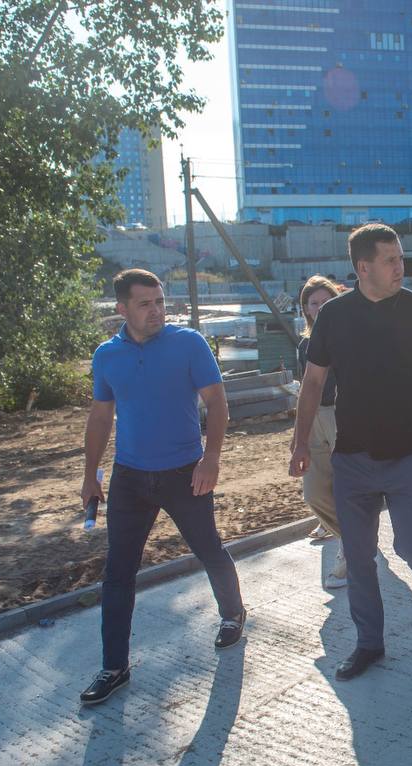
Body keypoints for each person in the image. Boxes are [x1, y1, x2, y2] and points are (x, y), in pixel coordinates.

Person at [289, 224, 412, 681]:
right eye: (391, 260)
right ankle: (369, 642)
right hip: (352, 458)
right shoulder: (334, 316)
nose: (400, 267)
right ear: (363, 267)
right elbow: (313, 382)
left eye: (400, 257)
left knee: (411, 544)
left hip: (408, 454)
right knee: (359, 555)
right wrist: (300, 442)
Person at [78, 269, 245, 706]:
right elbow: (100, 416)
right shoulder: (106, 355)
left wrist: (211, 458)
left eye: (159, 302)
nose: (156, 311)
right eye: (144, 304)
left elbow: (217, 402)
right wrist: (90, 476)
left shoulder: (188, 343)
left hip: (184, 472)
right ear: (122, 308)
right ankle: (114, 666)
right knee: (118, 571)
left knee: (208, 549)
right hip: (129, 477)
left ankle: (232, 613)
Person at [296, 275, 348, 589]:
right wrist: (298, 437)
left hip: (345, 416)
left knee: (346, 488)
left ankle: (350, 552)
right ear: (306, 309)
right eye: (313, 303)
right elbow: (306, 388)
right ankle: (354, 539)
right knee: (314, 492)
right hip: (314, 418)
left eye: (325, 301)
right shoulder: (305, 344)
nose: (319, 308)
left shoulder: (351, 336)